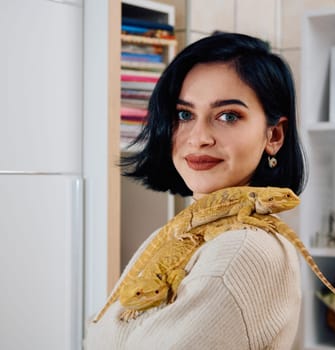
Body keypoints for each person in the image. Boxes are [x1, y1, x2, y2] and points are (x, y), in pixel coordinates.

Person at [84, 32, 307, 349]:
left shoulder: (241, 250)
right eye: (184, 115)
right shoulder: (185, 229)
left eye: (228, 116)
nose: (199, 137)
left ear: (274, 135)